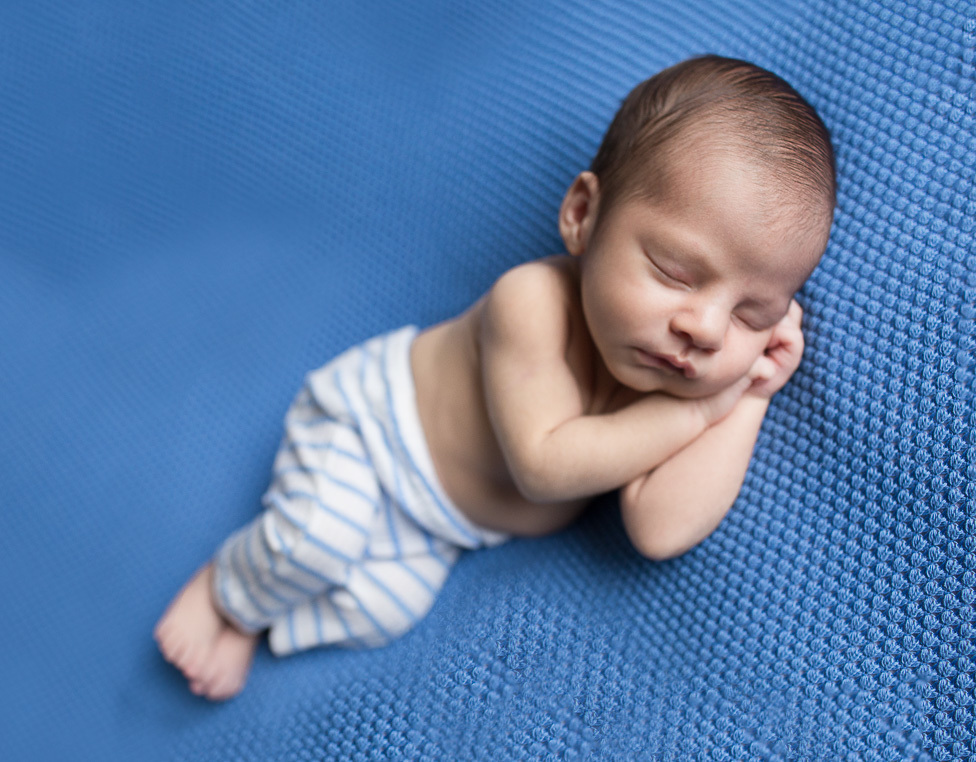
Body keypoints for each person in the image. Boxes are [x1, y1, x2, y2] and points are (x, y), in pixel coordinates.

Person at [155, 55, 837, 700]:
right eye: (674, 273)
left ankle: (263, 615)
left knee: (384, 613)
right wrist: (695, 413)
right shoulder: (531, 302)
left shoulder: (665, 377)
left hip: (440, 529)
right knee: (316, 540)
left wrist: (745, 396)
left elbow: (660, 529)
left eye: (754, 314)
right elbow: (543, 466)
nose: (708, 330)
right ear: (582, 215)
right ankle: (228, 592)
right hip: (371, 430)